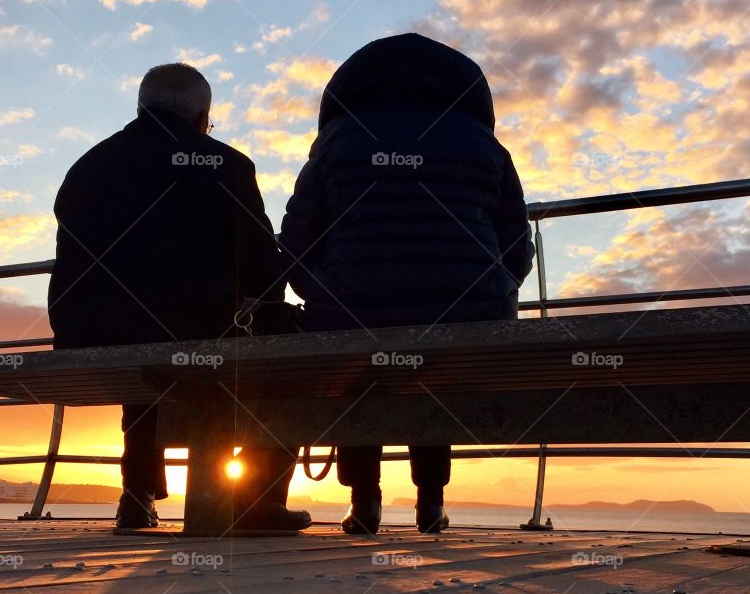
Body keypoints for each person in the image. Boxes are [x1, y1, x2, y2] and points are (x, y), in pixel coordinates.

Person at [279, 33, 534, 535]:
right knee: (433, 377)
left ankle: (365, 502)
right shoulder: (485, 145)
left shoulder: (337, 141)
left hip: (350, 309)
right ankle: (430, 503)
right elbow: (516, 242)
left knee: (356, 377)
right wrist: (496, 286)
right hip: (466, 313)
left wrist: (320, 288)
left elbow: (297, 238)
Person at [48, 62, 310, 532]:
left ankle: (136, 495)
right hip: (186, 330)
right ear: (201, 118)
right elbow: (264, 269)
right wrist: (266, 311)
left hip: (84, 332)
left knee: (144, 341)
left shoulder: (86, 167)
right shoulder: (224, 164)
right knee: (280, 350)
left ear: (141, 108)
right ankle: (257, 500)